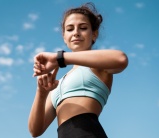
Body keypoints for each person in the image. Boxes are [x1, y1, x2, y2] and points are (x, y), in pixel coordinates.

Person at [28, 2, 128, 138]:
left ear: (94, 34)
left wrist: (60, 58)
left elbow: (121, 59)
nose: (76, 33)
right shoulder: (58, 82)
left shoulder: (98, 65)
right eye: (69, 29)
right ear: (64, 37)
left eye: (83, 28)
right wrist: (41, 93)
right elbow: (35, 130)